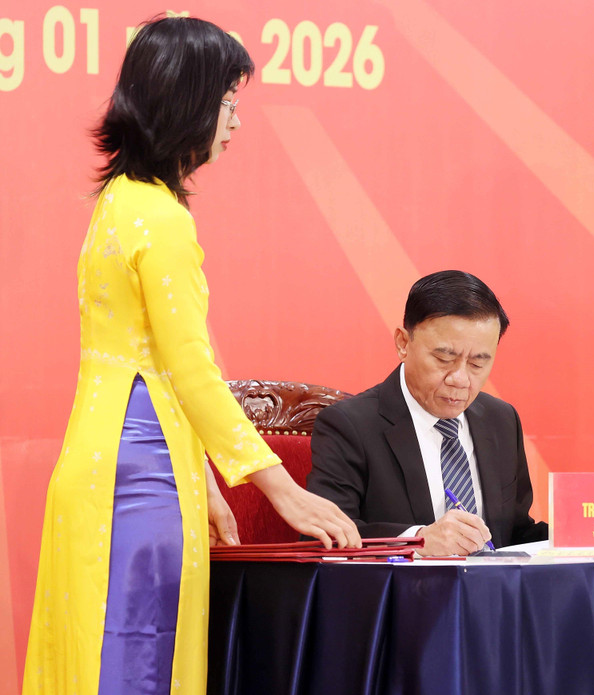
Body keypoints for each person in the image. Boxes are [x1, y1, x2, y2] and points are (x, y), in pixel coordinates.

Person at [23, 16, 359, 695]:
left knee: (92, 653)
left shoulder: (118, 204)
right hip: (141, 475)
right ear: (188, 101)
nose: (234, 121)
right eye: (229, 100)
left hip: (102, 458)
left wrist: (204, 479)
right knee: (136, 656)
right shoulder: (164, 219)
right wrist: (281, 488)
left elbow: (149, 361)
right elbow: (190, 370)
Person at [307, 270, 548, 556]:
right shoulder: (349, 424)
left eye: (477, 364)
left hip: (492, 595)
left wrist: (583, 532)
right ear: (403, 343)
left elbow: (514, 533)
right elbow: (326, 536)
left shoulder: (501, 420)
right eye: (444, 358)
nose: (460, 379)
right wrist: (418, 541)